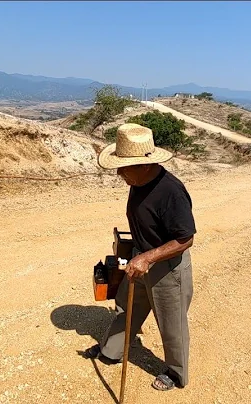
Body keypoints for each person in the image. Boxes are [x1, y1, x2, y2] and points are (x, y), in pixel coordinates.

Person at [84, 123, 196, 391]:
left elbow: (185, 238)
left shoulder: (171, 192)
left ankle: (176, 372)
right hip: (139, 259)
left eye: (125, 167)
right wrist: (133, 253)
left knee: (172, 324)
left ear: (145, 165)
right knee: (127, 309)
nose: (120, 173)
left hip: (167, 268)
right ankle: (111, 350)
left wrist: (148, 257)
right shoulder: (138, 180)